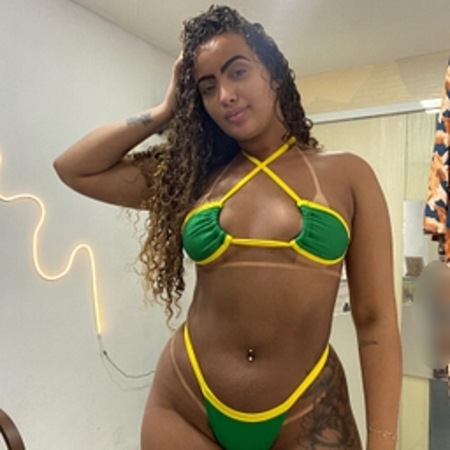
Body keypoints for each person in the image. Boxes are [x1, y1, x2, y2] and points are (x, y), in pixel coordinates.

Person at [53, 5, 401, 449]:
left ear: (274, 74)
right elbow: (75, 168)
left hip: (308, 412)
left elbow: (375, 322)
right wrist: (164, 110)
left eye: (238, 72)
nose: (225, 95)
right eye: (207, 87)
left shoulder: (348, 175)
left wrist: (384, 441)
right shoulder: (196, 177)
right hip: (186, 406)